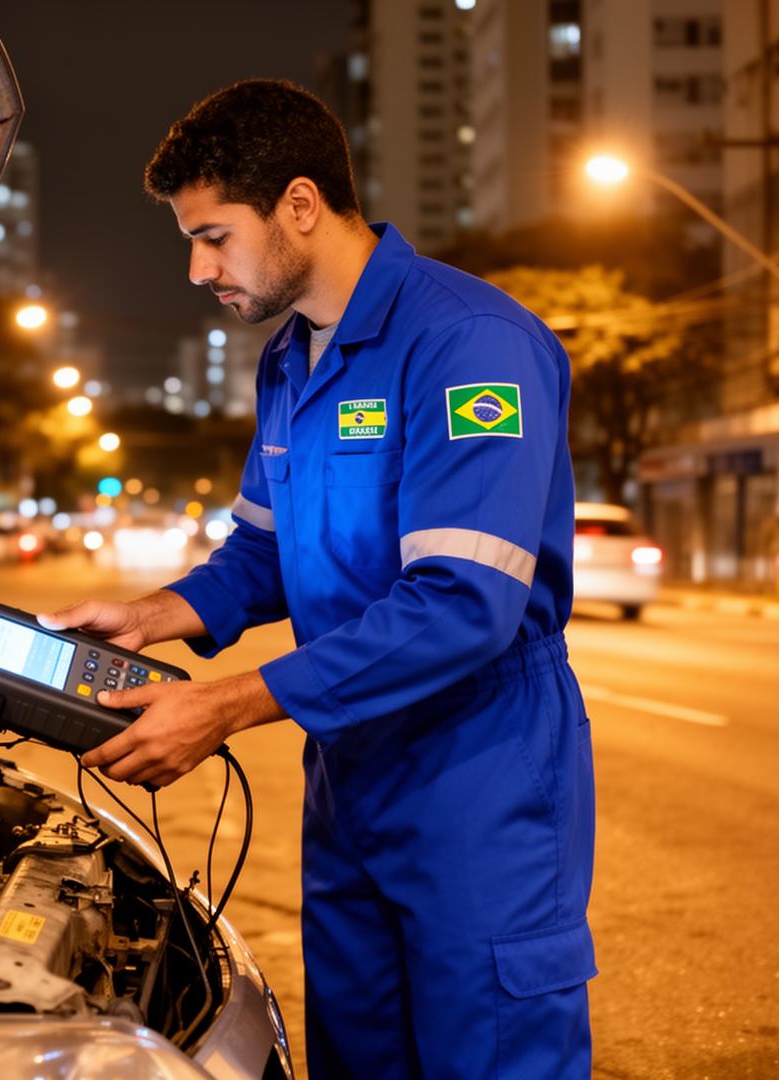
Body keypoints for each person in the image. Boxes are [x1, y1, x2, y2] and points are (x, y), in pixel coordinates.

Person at [40, 80, 595, 1078]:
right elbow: (263, 553)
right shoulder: (290, 361)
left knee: (492, 1051)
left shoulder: (470, 346)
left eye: (214, 237)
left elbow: (465, 604)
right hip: (350, 765)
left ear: (300, 205)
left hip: (478, 763)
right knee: (359, 1052)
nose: (199, 269)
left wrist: (225, 707)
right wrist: (151, 615)